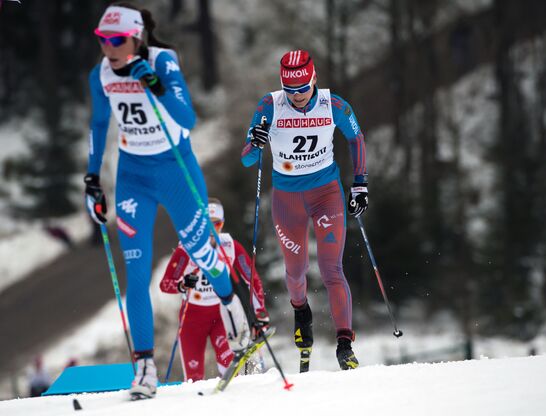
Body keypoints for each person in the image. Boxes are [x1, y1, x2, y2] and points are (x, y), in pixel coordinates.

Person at [85, 3, 250, 399]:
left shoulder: (163, 61)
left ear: (136, 37)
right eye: (103, 40)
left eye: (117, 39)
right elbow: (98, 124)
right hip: (133, 177)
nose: (109, 47)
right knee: (136, 272)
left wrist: (156, 86)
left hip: (175, 169)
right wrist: (92, 178)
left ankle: (233, 310)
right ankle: (144, 369)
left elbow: (188, 118)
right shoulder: (102, 74)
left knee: (200, 251)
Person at [241, 50, 368, 370]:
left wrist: (360, 183)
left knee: (331, 269)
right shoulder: (269, 106)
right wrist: (254, 142)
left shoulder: (334, 105)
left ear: (314, 80)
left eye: (302, 90)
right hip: (287, 199)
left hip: (326, 194)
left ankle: (344, 344)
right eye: (290, 91)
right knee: (295, 271)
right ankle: (301, 310)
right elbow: (246, 159)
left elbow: (356, 139)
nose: (296, 98)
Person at [160, 198, 270, 381]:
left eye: (216, 224)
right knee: (193, 379)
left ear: (222, 224)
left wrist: (260, 313)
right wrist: (182, 284)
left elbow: (252, 279)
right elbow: (165, 284)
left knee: (230, 369)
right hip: (192, 320)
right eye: (207, 225)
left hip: (221, 315)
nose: (211, 230)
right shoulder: (186, 249)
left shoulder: (229, 246)